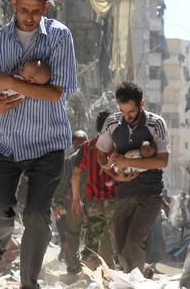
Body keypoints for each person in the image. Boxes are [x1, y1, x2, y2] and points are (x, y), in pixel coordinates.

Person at [0, 0, 77, 289]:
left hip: (48, 144)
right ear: (14, 3)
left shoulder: (60, 37)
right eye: (23, 9)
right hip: (5, 144)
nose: (29, 17)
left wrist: (13, 84)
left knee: (38, 216)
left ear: (45, 7)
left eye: (36, 10)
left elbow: (56, 93)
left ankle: (28, 283)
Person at [96, 82, 170, 279]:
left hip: (150, 193)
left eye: (131, 112)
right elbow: (101, 155)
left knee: (133, 241)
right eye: (122, 111)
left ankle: (135, 282)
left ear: (141, 104)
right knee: (120, 244)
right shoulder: (112, 123)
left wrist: (126, 160)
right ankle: (142, 272)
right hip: (124, 192)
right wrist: (114, 174)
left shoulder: (156, 124)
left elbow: (162, 161)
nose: (127, 117)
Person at [70, 111, 117, 270]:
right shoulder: (118, 146)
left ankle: (90, 277)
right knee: (120, 239)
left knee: (92, 240)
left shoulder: (87, 147)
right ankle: (117, 274)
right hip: (114, 201)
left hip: (93, 202)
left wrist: (76, 200)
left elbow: (75, 175)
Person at [52, 130, 88, 274]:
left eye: (80, 140)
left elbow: (63, 183)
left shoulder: (70, 160)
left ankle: (73, 266)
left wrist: (57, 202)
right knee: (93, 234)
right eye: (77, 140)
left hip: (74, 202)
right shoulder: (94, 156)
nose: (78, 143)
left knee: (72, 234)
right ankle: (90, 265)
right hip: (91, 202)